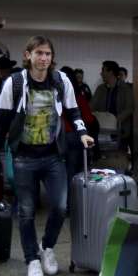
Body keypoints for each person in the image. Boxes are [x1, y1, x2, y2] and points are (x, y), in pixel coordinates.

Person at [0, 36, 94, 276]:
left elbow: (73, 109)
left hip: (53, 156)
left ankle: (47, 247)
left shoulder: (61, 80)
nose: (43, 58)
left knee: (61, 206)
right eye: (39, 53)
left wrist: (82, 132)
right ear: (28, 55)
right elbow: (0, 121)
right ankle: (32, 258)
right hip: (24, 158)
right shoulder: (16, 82)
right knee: (27, 212)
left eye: (48, 54)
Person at [59, 66, 98, 203]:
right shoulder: (78, 96)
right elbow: (89, 118)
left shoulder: (55, 95)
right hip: (75, 137)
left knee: (61, 173)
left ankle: (63, 203)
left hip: (58, 138)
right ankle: (73, 204)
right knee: (74, 172)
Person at [90, 60, 134, 161]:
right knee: (103, 161)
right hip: (102, 131)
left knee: (118, 160)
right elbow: (91, 106)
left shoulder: (125, 88)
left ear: (110, 72)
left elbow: (130, 108)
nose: (101, 73)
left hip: (120, 131)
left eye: (103, 70)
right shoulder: (100, 89)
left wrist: (114, 120)